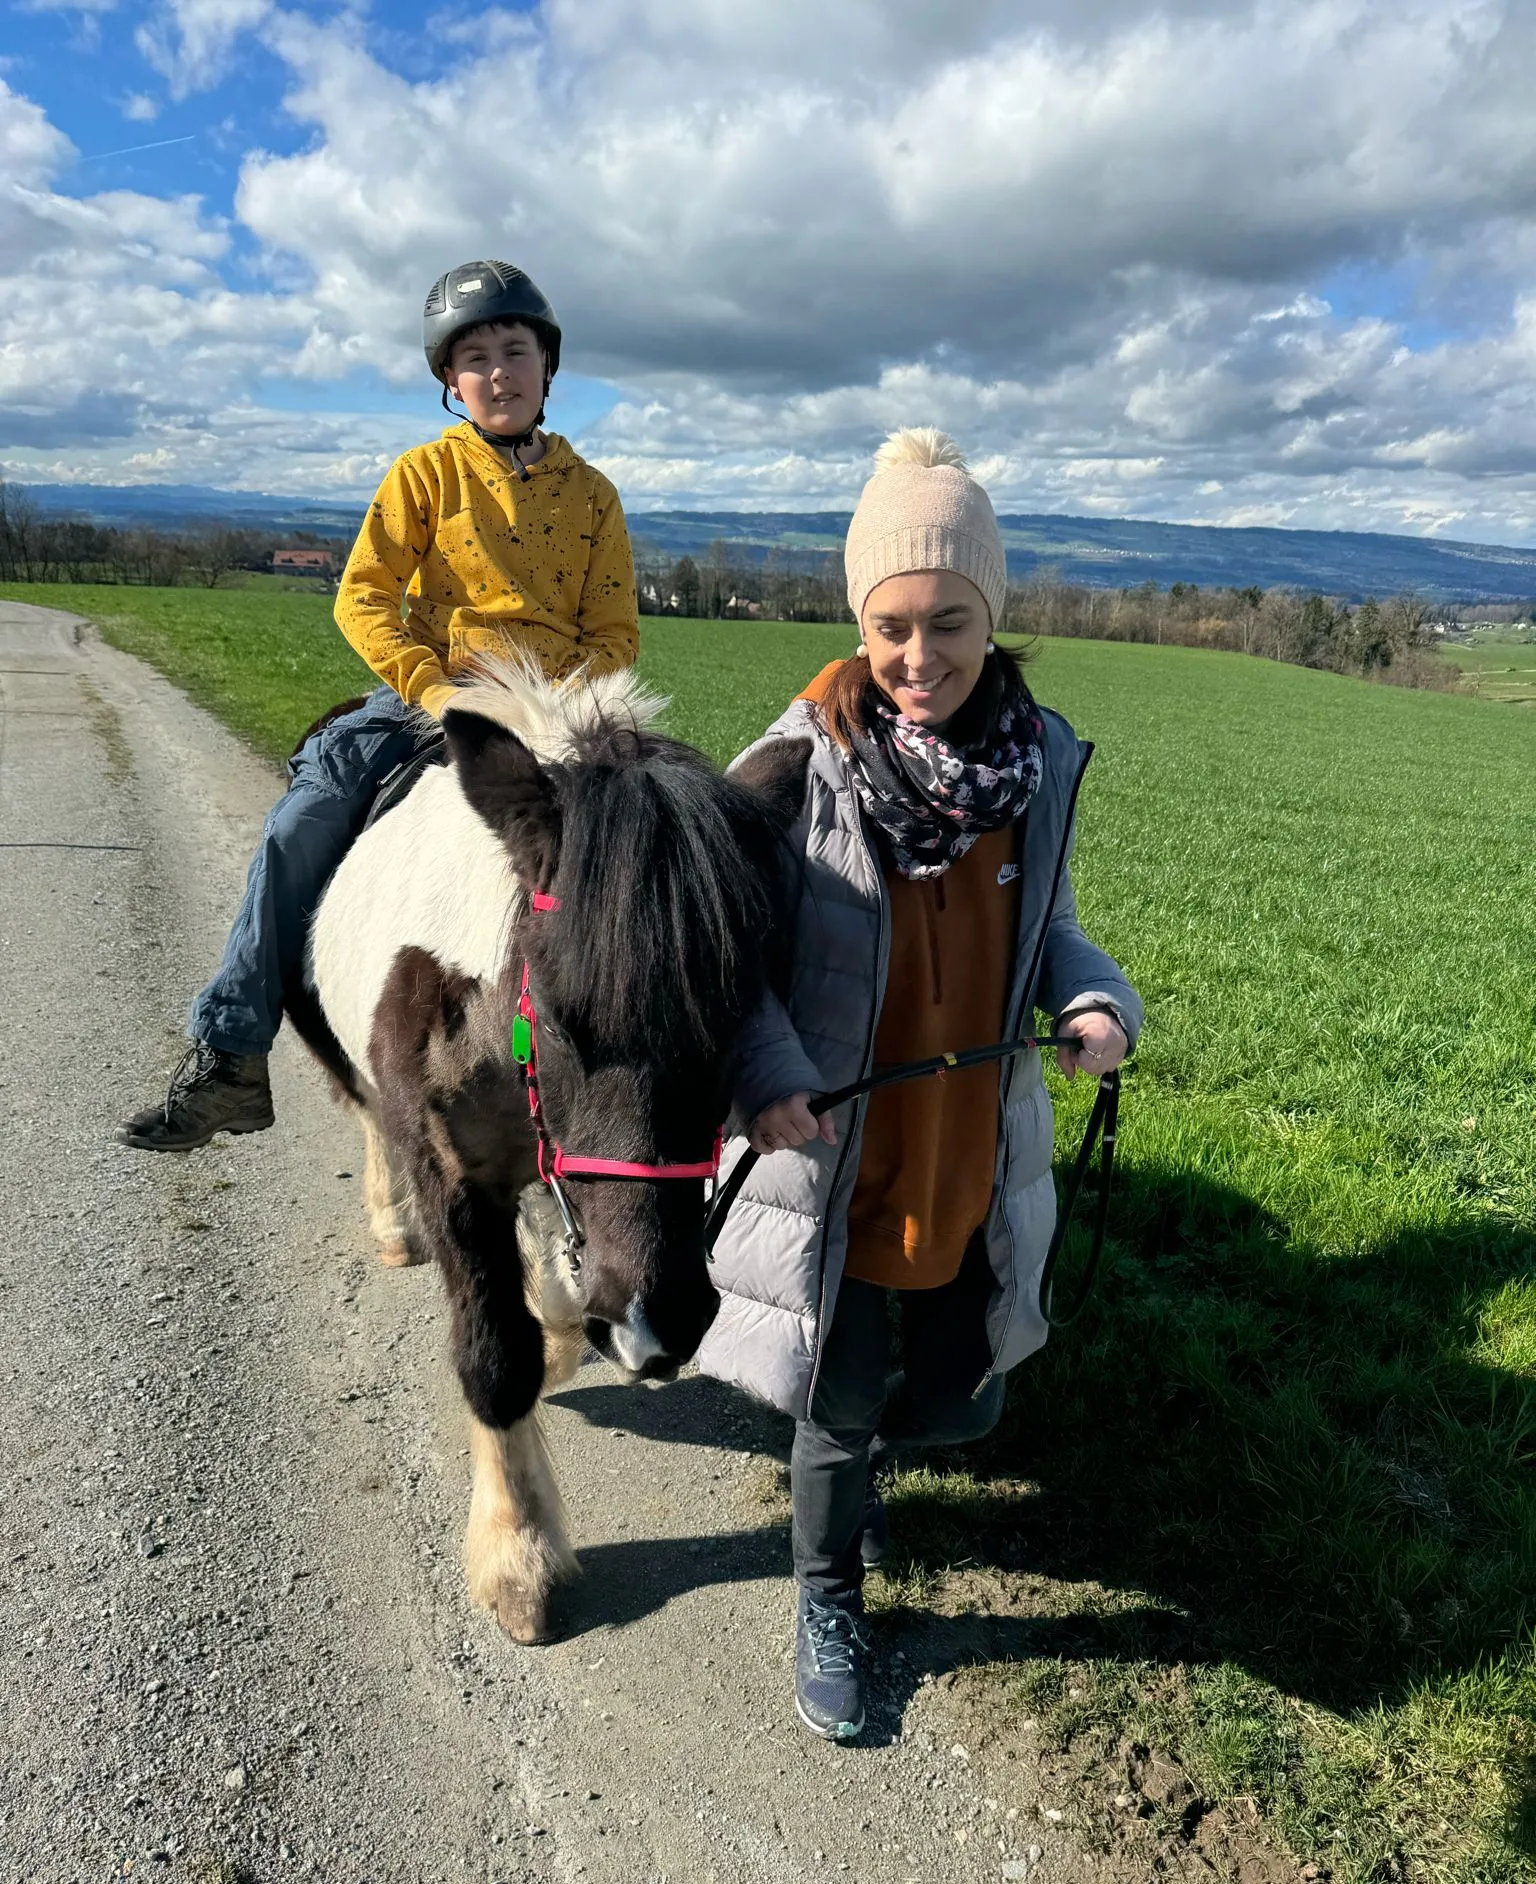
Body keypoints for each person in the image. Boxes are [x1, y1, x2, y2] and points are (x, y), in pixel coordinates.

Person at [699, 428, 1142, 1741]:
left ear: (992, 619)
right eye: (889, 625)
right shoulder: (792, 773)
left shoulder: (1036, 765)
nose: (916, 657)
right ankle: (828, 1590)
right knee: (839, 1401)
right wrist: (766, 1078)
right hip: (831, 1151)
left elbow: (1054, 926)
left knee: (960, 1400)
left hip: (968, 1140)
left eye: (947, 622)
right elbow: (723, 968)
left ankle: (883, 1461)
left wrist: (1097, 998)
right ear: (858, 622)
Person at [119, 260, 639, 1151]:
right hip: (428, 704)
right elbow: (364, 597)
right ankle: (232, 1056)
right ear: (451, 381)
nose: (500, 372)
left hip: (557, 715)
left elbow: (616, 633)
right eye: (476, 358)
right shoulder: (423, 476)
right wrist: (436, 689)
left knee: (667, 841)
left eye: (517, 349)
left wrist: (550, 704)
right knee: (301, 826)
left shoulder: (594, 496)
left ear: (549, 366)